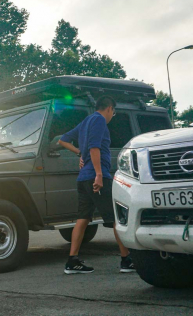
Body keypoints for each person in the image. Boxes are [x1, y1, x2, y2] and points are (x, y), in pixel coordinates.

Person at [58, 96, 134, 274]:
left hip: (83, 179)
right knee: (116, 218)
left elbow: (62, 140)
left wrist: (80, 154)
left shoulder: (85, 121)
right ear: (109, 108)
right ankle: (126, 260)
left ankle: (72, 261)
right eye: (113, 113)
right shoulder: (99, 120)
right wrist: (99, 174)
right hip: (96, 177)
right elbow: (94, 147)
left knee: (82, 219)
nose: (111, 116)